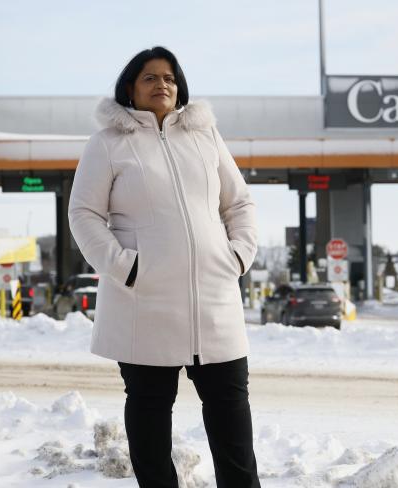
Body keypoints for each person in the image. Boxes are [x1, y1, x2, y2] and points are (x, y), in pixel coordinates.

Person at [68, 46, 261, 488]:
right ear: (130, 90)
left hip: (214, 300)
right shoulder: (108, 144)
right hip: (145, 301)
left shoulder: (205, 136)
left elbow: (240, 204)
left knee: (233, 422)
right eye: (150, 78)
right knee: (150, 420)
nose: (162, 85)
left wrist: (236, 256)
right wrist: (125, 268)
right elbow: (84, 214)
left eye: (169, 77)